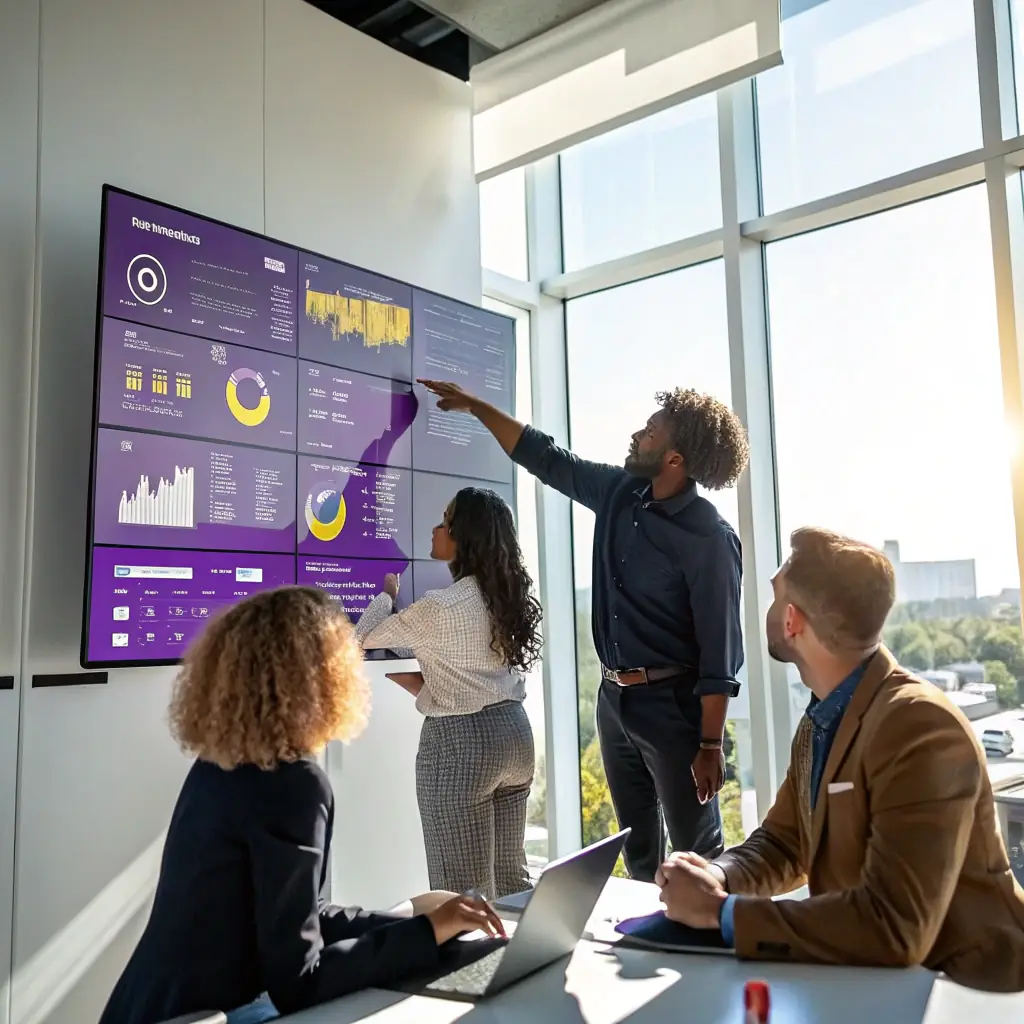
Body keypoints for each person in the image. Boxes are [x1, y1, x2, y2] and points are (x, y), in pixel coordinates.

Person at [99, 587, 504, 1024]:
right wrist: (427, 932)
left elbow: (296, 917)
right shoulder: (294, 786)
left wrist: (415, 921)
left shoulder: (219, 765)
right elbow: (300, 982)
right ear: (324, 676)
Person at [656, 527, 1024, 992]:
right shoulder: (823, 716)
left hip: (972, 996)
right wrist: (717, 874)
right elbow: (786, 843)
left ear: (792, 620)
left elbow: (894, 926)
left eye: (774, 598)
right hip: (877, 989)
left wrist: (720, 913)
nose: (767, 611)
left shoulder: (920, 725)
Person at [418, 379, 749, 881]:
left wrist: (709, 745)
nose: (640, 434)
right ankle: (649, 944)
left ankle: (712, 950)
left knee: (698, 857)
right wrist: (479, 408)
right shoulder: (620, 492)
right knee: (640, 854)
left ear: (675, 459)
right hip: (614, 702)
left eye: (652, 432)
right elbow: (549, 459)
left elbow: (720, 652)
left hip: (675, 710)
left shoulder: (710, 538)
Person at [356, 486, 542, 901]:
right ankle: (522, 963)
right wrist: (429, 685)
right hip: (514, 736)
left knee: (461, 896)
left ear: (464, 536)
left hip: (461, 748)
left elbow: (362, 637)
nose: (435, 529)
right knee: (511, 885)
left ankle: (471, 968)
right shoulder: (505, 597)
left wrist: (386, 595)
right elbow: (459, 659)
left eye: (445, 521)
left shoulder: (440, 606)